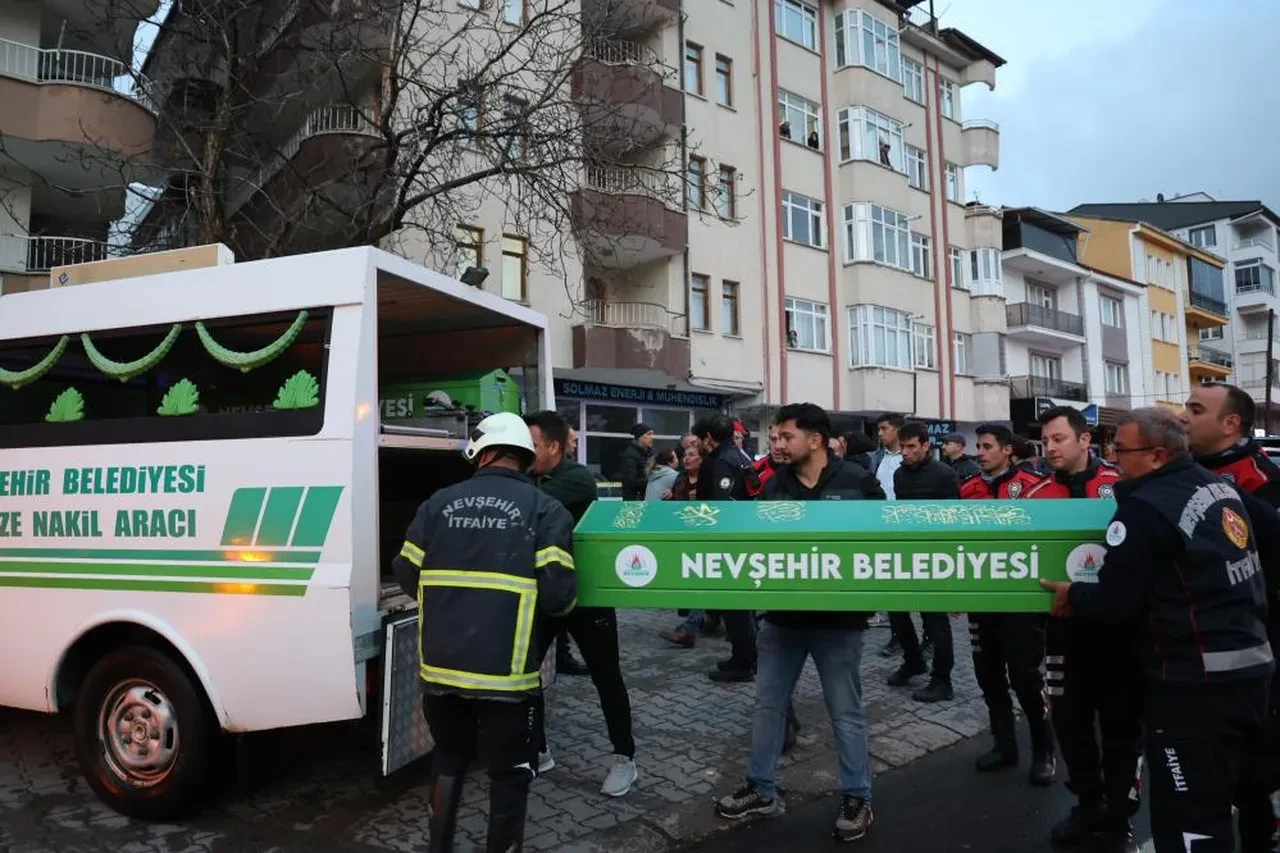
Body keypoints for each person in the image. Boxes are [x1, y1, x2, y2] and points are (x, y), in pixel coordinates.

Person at [1041, 408, 1273, 853]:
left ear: (1156, 456)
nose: (1115, 458)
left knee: (1190, 821)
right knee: (1228, 800)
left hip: (1191, 685)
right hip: (1248, 670)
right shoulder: (1218, 487)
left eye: (1122, 450)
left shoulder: (1145, 508)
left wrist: (1074, 594)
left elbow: (1112, 602)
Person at [391, 412, 576, 852]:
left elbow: (404, 573)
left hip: (441, 674)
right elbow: (557, 595)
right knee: (510, 773)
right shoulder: (546, 510)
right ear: (525, 457)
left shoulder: (437, 503)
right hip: (507, 681)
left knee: (449, 759)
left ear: (482, 452)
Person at [716, 403, 883, 843]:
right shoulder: (773, 487)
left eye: (786, 435)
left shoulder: (857, 481)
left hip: (839, 622)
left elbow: (885, 542)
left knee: (845, 713)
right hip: (782, 621)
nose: (778, 443)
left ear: (815, 439)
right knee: (767, 708)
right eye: (776, 436)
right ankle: (761, 787)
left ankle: (856, 797)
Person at [1024, 407, 1137, 852]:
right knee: (1070, 725)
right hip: (1063, 634)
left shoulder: (1120, 487)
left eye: (1058, 439)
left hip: (1118, 632)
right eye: (1045, 442)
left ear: (1084, 439)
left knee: (1122, 727)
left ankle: (1118, 818)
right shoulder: (1033, 498)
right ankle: (1088, 805)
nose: (1050, 448)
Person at [1178, 383, 1280, 851]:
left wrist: (1221, 496)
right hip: (1196, 649)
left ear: (1230, 424)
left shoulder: (1259, 477)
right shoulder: (1183, 470)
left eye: (1196, 409)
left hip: (1258, 651)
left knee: (1255, 772)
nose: (1183, 416)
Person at [524, 411, 638, 798]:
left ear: (554, 447)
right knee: (524, 674)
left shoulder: (575, 479)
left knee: (607, 677)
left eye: (532, 444)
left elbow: (527, 510)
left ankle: (625, 759)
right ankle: (538, 751)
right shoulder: (530, 476)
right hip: (542, 594)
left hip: (587, 597)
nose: (525, 451)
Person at [959, 423, 1055, 786]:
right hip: (982, 598)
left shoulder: (1035, 488)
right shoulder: (967, 489)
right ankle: (1004, 745)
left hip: (1022, 600)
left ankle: (1044, 750)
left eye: (986, 446)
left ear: (1008, 451)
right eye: (978, 446)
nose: (980, 452)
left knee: (1027, 678)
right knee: (988, 674)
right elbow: (958, 545)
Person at [888, 420, 959, 703]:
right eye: (902, 447)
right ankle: (913, 661)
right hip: (908, 551)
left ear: (925, 446)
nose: (905, 452)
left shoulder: (944, 474)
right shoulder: (900, 476)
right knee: (896, 608)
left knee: (935, 619)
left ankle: (942, 680)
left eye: (911, 447)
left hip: (936, 554)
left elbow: (953, 519)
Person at [694, 414, 761, 683]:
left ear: (709, 438)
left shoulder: (723, 461)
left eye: (700, 439)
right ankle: (741, 656)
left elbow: (724, 509)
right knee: (740, 608)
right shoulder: (740, 455)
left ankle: (745, 662)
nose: (698, 444)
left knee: (737, 608)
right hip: (744, 538)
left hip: (732, 544)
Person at [618, 423, 654, 500]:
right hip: (634, 499)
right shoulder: (630, 455)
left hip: (647, 496)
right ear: (639, 437)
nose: (652, 437)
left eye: (652, 434)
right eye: (648, 434)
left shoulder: (650, 453)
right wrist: (652, 481)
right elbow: (631, 482)